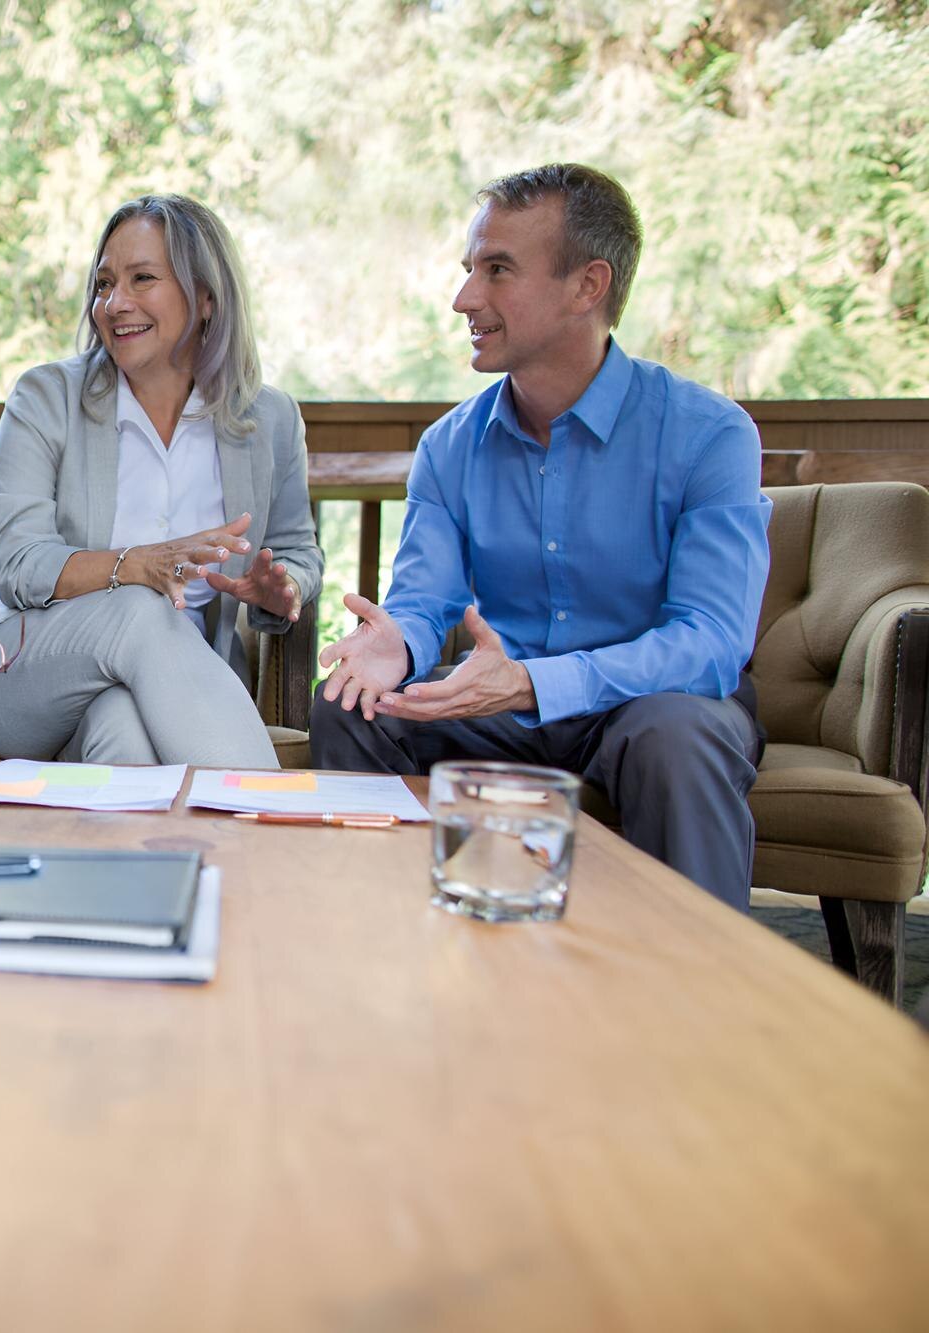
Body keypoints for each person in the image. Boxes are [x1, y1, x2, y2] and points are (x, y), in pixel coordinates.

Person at [310, 163, 770, 909]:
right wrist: (397, 644)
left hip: (648, 703)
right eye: (469, 270)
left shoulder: (709, 434)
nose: (464, 298)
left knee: (674, 736)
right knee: (352, 704)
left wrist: (534, 681)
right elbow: (426, 598)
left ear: (587, 285)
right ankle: (378, 942)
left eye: (498, 270)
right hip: (500, 710)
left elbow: (712, 641)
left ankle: (704, 1001)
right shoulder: (449, 445)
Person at [0, 194, 323, 767]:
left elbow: (298, 552)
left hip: (160, 690)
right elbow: (19, 565)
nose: (113, 303)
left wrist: (282, 589)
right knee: (145, 607)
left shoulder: (269, 419)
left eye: (141, 278)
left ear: (205, 297)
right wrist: (138, 564)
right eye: (104, 283)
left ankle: (143, 857)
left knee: (122, 728)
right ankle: (271, 829)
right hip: (13, 673)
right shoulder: (45, 397)